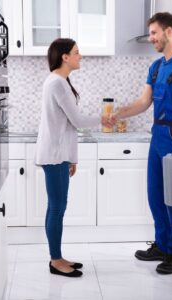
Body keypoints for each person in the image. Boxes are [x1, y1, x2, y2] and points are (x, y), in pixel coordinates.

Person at [111, 12, 172, 274]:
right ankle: (163, 245)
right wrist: (118, 113)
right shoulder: (155, 68)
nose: (151, 38)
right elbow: (144, 103)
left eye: (154, 33)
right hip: (158, 137)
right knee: (155, 196)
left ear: (168, 32)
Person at [35, 38, 113, 278]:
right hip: (55, 154)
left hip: (59, 154)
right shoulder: (57, 83)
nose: (81, 56)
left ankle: (57, 256)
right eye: (77, 52)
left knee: (57, 206)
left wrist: (72, 158)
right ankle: (56, 260)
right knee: (57, 207)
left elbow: (67, 125)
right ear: (64, 57)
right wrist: (103, 119)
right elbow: (77, 121)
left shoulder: (60, 82)